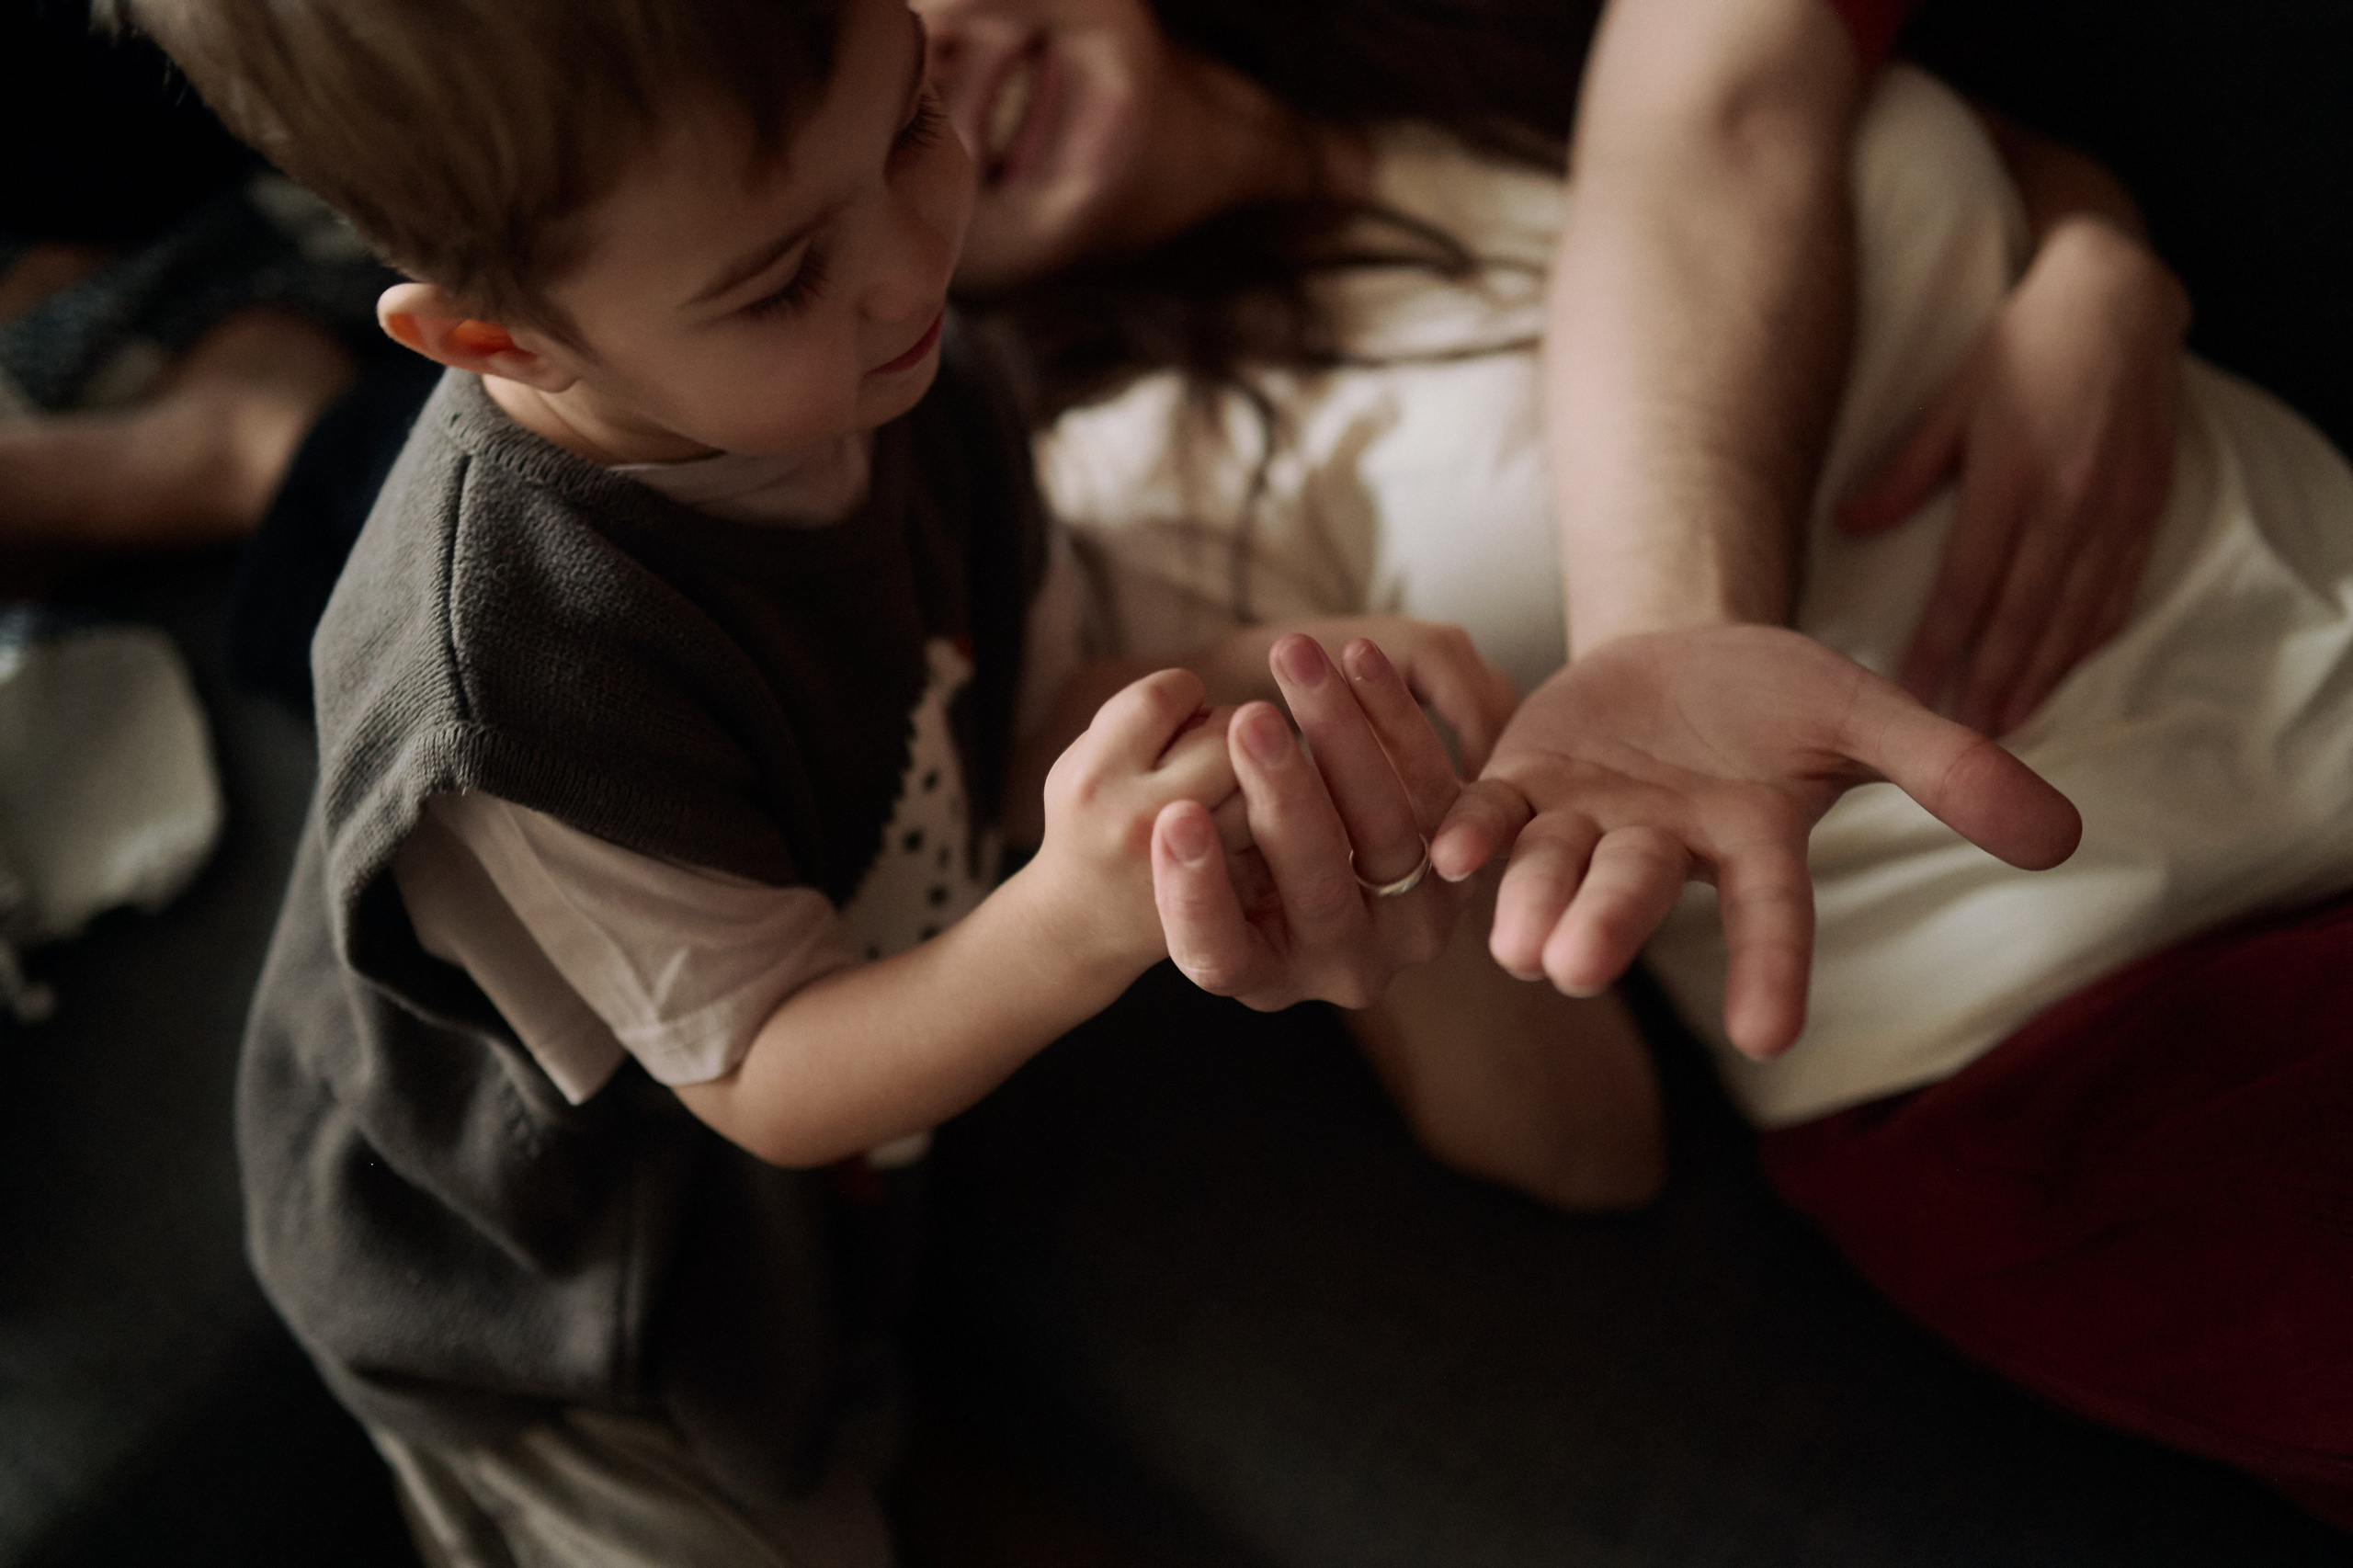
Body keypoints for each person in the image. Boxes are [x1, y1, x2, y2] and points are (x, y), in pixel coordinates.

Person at [119, 0, 1525, 1560]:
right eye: (780, 276)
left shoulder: (903, 362)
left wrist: (1256, 682)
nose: (909, 256)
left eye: (915, 121)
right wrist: (1070, 922)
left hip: (809, 1145)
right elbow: (775, 1076)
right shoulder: (507, 693)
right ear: (496, 339)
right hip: (572, 1307)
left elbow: (1003, 714)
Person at [921, 0, 2353, 1524]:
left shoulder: (1485, 51)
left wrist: (2100, 263)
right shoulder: (1138, 509)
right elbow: (1582, 1141)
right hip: (2081, 1032)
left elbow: (1920, 149)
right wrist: (1394, 855)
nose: (932, 43)